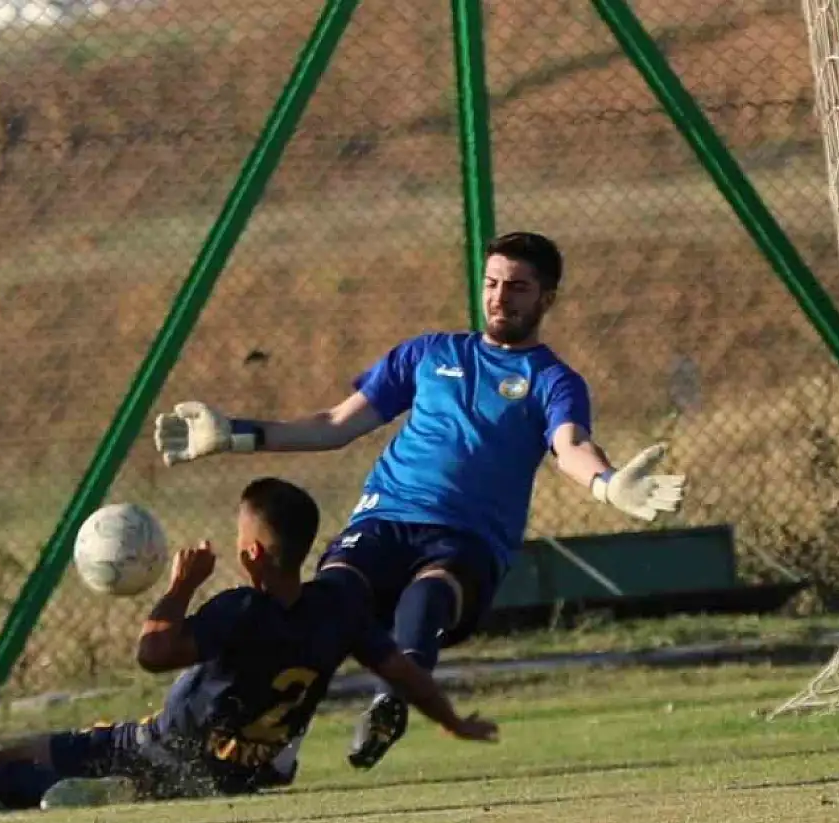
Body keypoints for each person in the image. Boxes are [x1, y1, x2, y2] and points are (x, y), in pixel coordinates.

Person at [152, 231, 686, 771]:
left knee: (428, 597)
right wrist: (237, 435)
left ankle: (390, 702)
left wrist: (607, 483)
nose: (501, 298)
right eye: (493, 284)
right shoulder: (429, 354)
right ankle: (260, 745)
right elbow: (336, 424)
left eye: (519, 288)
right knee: (324, 608)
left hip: (466, 539)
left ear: (547, 298)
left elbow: (570, 446)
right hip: (384, 519)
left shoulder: (552, 379)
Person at [0, 477, 497, 810]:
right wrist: (454, 722)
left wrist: (180, 586)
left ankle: (108, 789)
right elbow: (403, 674)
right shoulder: (339, 608)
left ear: (251, 553)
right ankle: (130, 791)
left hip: (161, 747)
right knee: (179, 775)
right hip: (246, 774)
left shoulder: (238, 610)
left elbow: (152, 653)